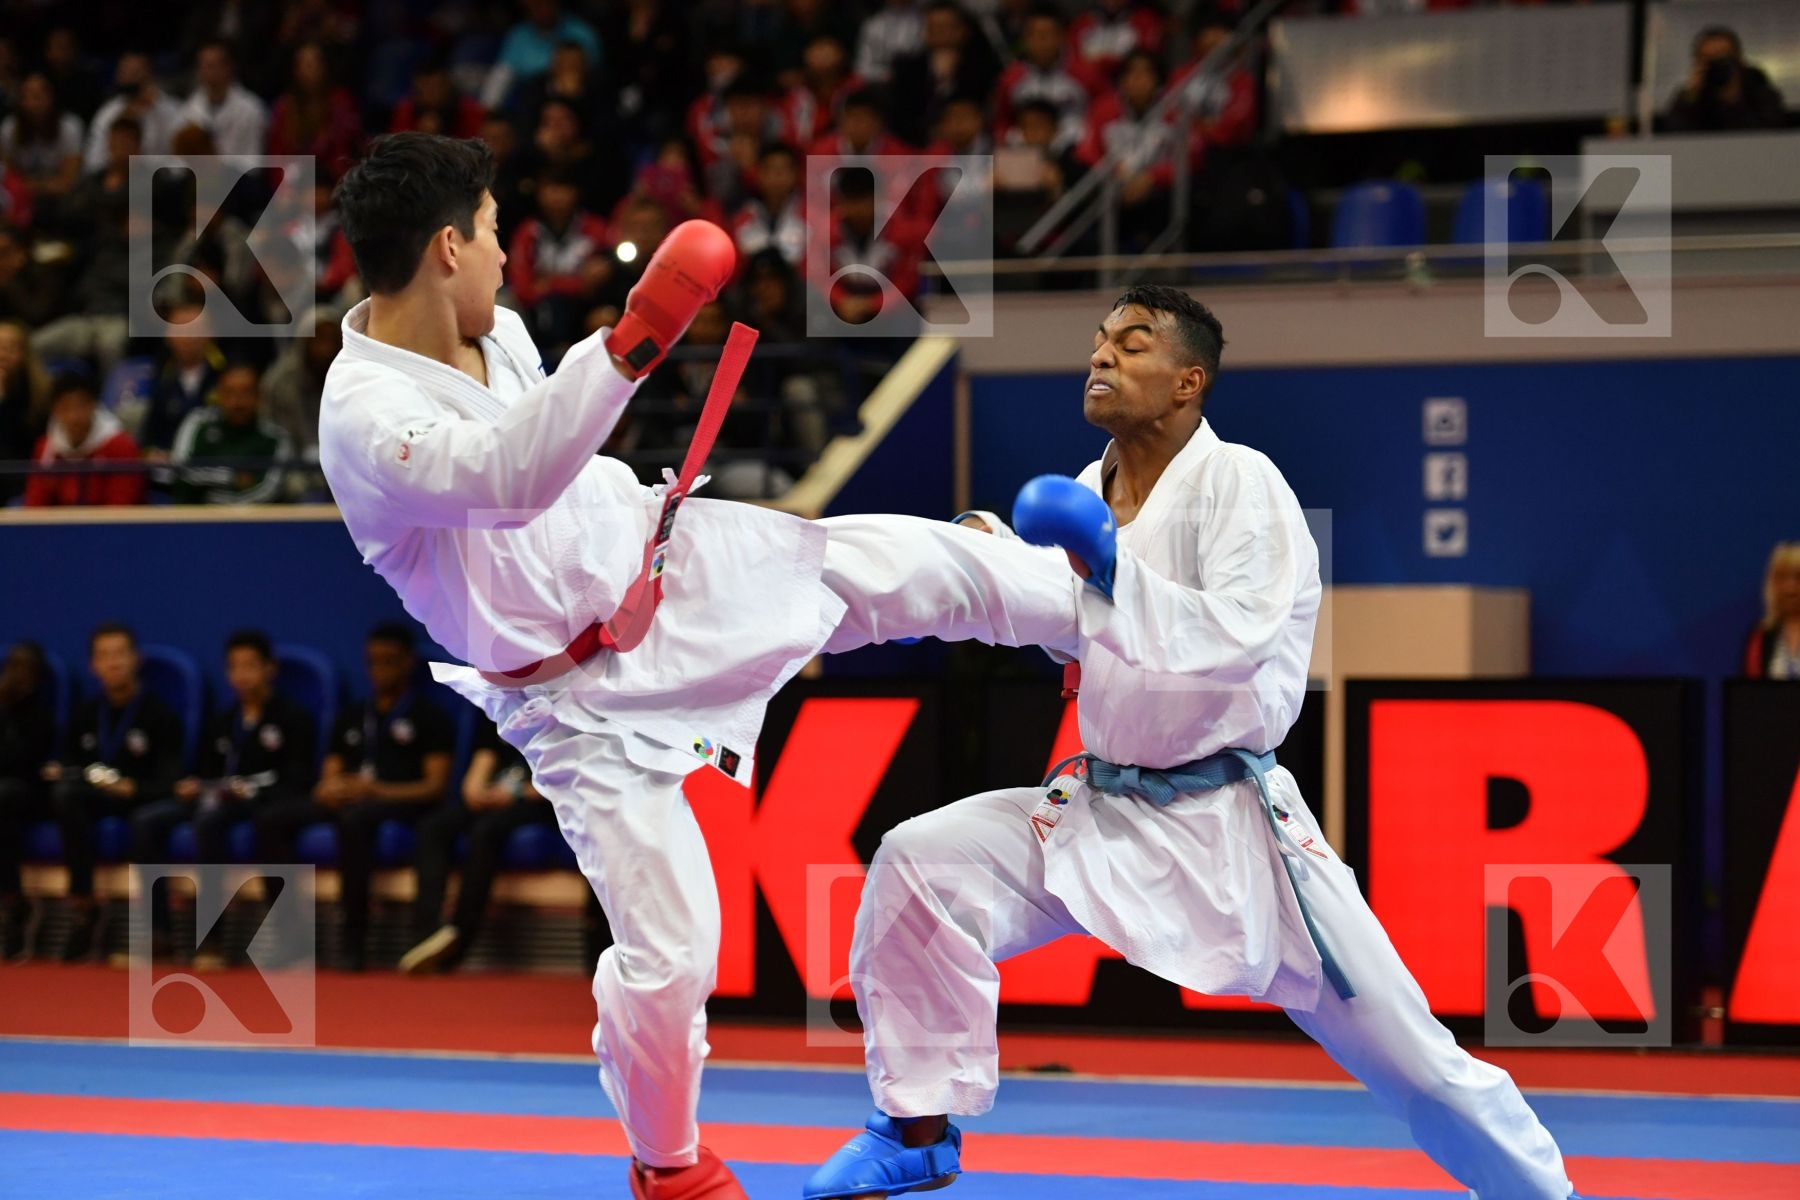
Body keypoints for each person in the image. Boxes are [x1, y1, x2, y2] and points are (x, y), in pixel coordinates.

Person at [318, 132, 1082, 1199]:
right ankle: (668, 1165)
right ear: (448, 246)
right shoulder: (363, 414)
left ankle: (1110, 615)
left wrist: (617, 357)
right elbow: (506, 478)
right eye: (494, 235)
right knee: (675, 954)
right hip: (571, 704)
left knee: (883, 564)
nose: (506, 258)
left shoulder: (501, 341)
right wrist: (630, 343)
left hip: (659, 570)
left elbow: (559, 466)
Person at [807, 286, 1580, 1200]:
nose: (1101, 356)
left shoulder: (1241, 482)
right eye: (1098, 341)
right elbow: (1074, 625)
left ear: (1188, 381)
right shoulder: (1092, 492)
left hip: (1233, 827)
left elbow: (1235, 638)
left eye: (1132, 345)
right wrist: (988, 566)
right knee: (922, 863)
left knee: (1416, 1062)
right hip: (1100, 806)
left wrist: (1103, 568)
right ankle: (917, 1129)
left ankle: (1546, 1194)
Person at [254, 621, 454, 971]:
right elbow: (330, 773)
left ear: (408, 662)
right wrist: (332, 788)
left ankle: (353, 939)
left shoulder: (430, 716)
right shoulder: (352, 714)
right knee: (271, 820)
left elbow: (433, 787)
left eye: (389, 661)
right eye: (373, 661)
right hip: (354, 801)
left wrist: (375, 790)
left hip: (401, 804)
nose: (379, 670)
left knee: (355, 821)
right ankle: (293, 936)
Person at [129, 629, 317, 964]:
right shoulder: (222, 721)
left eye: (250, 666)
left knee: (210, 822)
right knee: (147, 820)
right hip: (217, 799)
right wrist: (195, 785)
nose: (242, 675)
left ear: (269, 669)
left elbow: (299, 780)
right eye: (234, 667)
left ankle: (210, 940)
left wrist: (249, 790)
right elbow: (207, 772)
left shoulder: (293, 718)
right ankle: (160, 932)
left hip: (261, 803)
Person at [46, 623, 183, 963]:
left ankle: (158, 932)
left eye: (120, 654)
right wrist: (60, 770)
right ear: (94, 666)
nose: (113, 663)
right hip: (97, 797)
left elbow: (172, 782)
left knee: (145, 822)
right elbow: (69, 761)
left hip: (142, 798)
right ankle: (83, 904)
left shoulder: (159, 714)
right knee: (64, 794)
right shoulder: (88, 714)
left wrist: (133, 788)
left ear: (135, 659)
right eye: (104, 656)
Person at [398, 713, 558, 974]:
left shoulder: (561, 710)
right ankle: (428, 933)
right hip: (498, 798)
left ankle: (460, 937)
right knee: (433, 828)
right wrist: (477, 792)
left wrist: (515, 793)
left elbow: (567, 778)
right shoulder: (501, 709)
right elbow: (476, 777)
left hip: (542, 801)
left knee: (485, 830)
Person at [169, 362, 293, 505]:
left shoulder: (275, 439)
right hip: (191, 520)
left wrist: (214, 501)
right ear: (218, 394)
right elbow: (180, 470)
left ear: (259, 396)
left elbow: (269, 491)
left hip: (252, 522)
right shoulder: (198, 423)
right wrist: (231, 477)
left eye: (246, 392)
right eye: (230, 392)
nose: (237, 401)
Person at [0, 641, 55, 961]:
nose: (16, 674)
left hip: (29, 792)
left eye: (25, 668)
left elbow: (24, 761)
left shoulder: (41, 716)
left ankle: (12, 903)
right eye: (12, 666)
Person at [24, 373, 146, 508]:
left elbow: (121, 505)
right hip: (58, 527)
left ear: (94, 405)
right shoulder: (45, 448)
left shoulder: (121, 446)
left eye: (81, 406)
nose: (74, 416)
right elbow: (35, 506)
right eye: (66, 407)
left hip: (109, 526)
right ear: (54, 410)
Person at [1665, 26, 1787, 134]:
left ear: (1739, 59)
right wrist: (1691, 98)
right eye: (1709, 60)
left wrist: (1734, 101)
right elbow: (1674, 136)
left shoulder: (1762, 93)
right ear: (1697, 63)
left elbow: (1771, 133)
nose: (1718, 66)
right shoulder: (1689, 98)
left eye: (1723, 58)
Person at [1743, 542, 1800, 680]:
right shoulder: (1759, 638)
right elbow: (1748, 694)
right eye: (1782, 578)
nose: (1790, 589)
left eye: (1799, 578)